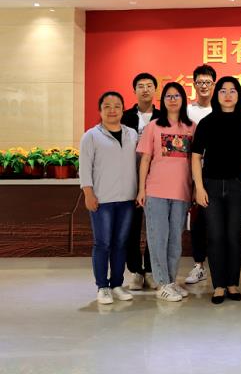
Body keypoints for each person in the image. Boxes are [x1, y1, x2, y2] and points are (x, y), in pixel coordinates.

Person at [191, 76, 241, 304]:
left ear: (239, 95)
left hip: (236, 187)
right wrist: (199, 187)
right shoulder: (207, 123)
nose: (228, 95)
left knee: (233, 236)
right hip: (210, 185)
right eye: (223, 90)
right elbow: (196, 156)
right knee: (215, 236)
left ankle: (232, 284)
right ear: (216, 94)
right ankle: (218, 285)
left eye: (232, 90)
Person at [136, 82, 195, 302]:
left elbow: (196, 161)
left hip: (181, 192)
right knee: (157, 238)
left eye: (176, 95)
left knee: (175, 241)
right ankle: (161, 283)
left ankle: (170, 280)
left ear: (183, 99)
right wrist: (141, 189)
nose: (172, 99)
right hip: (156, 191)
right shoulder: (153, 126)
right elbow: (145, 159)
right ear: (163, 100)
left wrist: (195, 189)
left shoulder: (191, 127)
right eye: (168, 96)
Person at [81, 91, 138, 305]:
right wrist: (88, 193)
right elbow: (84, 167)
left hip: (127, 199)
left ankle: (116, 284)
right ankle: (102, 287)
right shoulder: (91, 136)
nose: (112, 110)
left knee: (121, 243)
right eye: (107, 106)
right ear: (100, 110)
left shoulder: (132, 134)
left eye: (117, 106)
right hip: (102, 199)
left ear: (123, 110)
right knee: (103, 243)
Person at [121, 72, 160, 291]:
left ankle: (152, 271)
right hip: (130, 178)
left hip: (157, 179)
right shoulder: (124, 117)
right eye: (141, 86)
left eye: (149, 85)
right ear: (134, 90)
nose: (145, 89)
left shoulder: (163, 116)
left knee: (154, 227)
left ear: (155, 90)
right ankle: (136, 271)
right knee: (132, 227)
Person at [184, 64, 217, 285]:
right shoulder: (187, 111)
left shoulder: (221, 109)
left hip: (215, 173)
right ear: (194, 84)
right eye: (200, 82)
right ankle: (198, 265)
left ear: (214, 85)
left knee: (215, 222)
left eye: (208, 82)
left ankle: (219, 266)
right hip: (191, 172)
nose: (204, 86)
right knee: (197, 222)